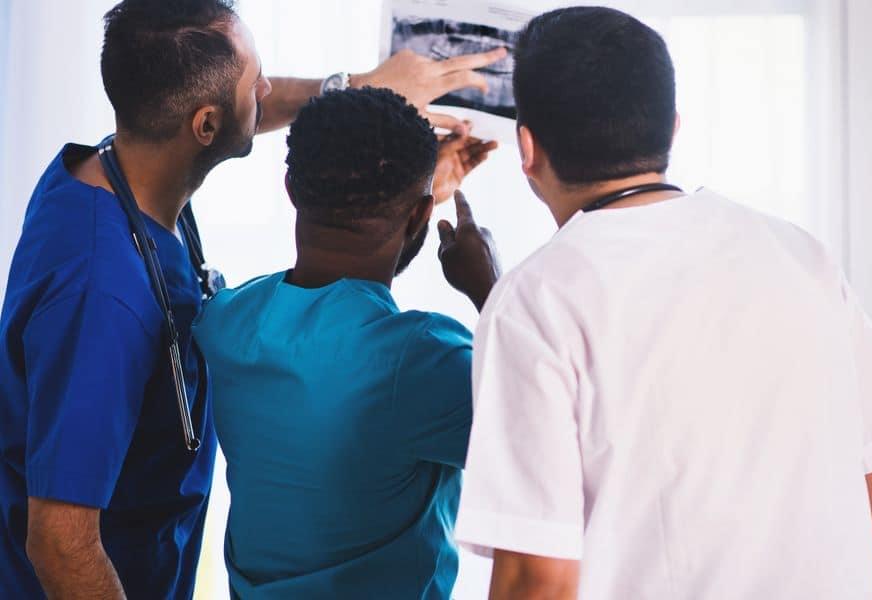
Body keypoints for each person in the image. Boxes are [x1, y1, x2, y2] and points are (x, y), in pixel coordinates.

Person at [0, 0, 503, 597]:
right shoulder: (99, 293)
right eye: (254, 79)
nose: (268, 89)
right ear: (206, 125)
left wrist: (383, 151)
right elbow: (59, 542)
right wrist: (484, 285)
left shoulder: (107, 176)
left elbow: (230, 114)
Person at [454, 7, 872, 600]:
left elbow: (539, 579)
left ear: (526, 148)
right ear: (672, 128)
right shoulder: (800, 255)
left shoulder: (534, 300)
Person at [191, 87, 500, 598]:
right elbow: (557, 435)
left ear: (290, 188)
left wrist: (409, 199)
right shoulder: (422, 360)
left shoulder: (225, 322)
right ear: (422, 215)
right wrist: (492, 289)